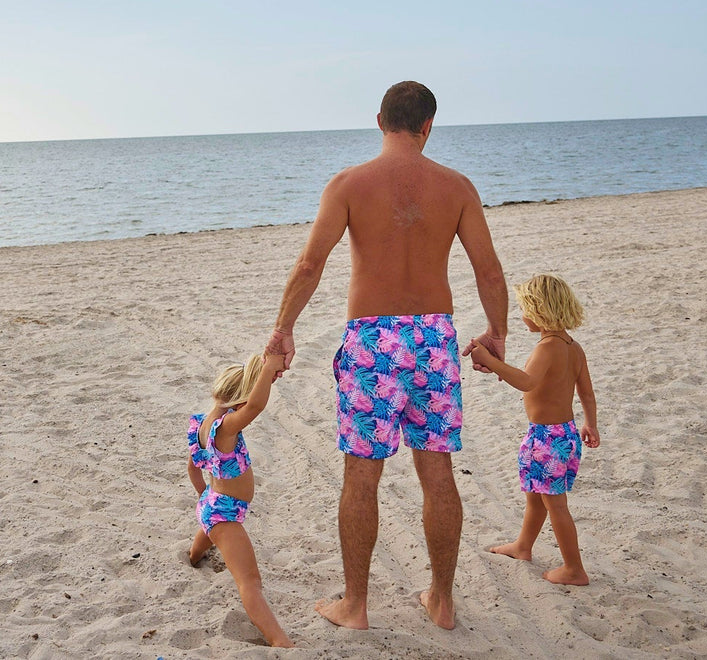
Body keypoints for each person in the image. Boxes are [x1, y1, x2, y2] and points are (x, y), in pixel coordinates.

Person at [266, 80, 508, 631]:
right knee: (437, 469)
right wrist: (497, 332)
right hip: (433, 337)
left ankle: (355, 606)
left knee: (361, 474)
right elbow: (488, 270)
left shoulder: (349, 184)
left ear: (379, 121)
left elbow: (309, 266)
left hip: (373, 340)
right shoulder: (458, 187)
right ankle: (442, 602)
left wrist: (283, 328)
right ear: (428, 126)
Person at [470, 273, 600, 585]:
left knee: (555, 504)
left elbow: (526, 382)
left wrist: (489, 359)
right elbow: (587, 393)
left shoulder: (547, 347)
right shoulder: (573, 346)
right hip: (566, 433)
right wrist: (590, 424)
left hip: (547, 438)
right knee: (535, 496)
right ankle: (523, 545)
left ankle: (574, 569)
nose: (522, 316)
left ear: (540, 311)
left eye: (525, 309)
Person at [186, 351, 295, 648]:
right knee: (251, 583)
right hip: (225, 514)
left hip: (211, 504)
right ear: (238, 403)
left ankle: (194, 556)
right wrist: (270, 368)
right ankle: (279, 640)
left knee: (208, 532)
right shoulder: (226, 428)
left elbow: (193, 469)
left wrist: (204, 498)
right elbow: (257, 405)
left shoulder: (200, 426)